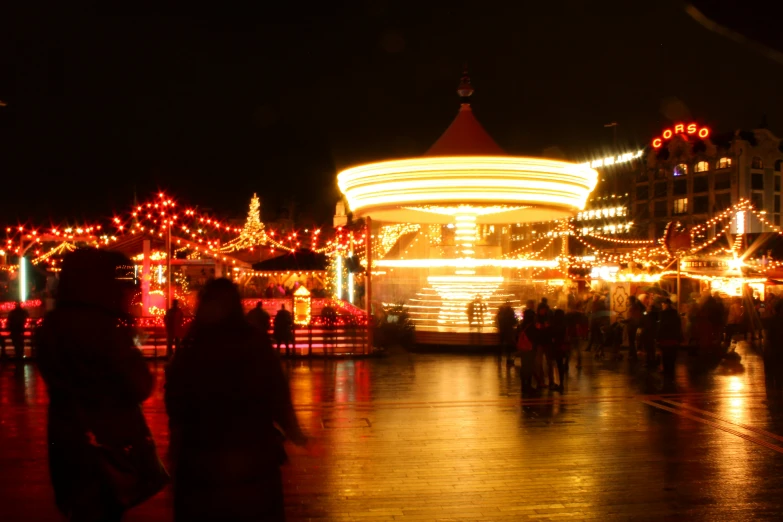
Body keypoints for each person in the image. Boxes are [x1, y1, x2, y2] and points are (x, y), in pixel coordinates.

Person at [166, 278, 308, 522]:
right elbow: (276, 390)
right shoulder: (254, 342)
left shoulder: (193, 345)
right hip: (251, 448)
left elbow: (176, 399)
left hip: (201, 453)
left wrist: (176, 446)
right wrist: (292, 428)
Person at [37, 249, 161, 522]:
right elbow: (139, 384)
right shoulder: (104, 328)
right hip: (107, 444)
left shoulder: (52, 325)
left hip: (66, 439)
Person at [657, 298, 683, 377]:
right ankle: (671, 370)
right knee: (672, 355)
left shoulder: (663, 314)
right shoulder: (676, 315)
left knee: (665, 355)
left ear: (665, 305)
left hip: (665, 338)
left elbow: (661, 326)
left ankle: (666, 370)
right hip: (674, 338)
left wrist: (658, 337)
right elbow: (678, 327)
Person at [516, 309, 537, 395]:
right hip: (530, 348)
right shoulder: (531, 327)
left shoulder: (522, 325)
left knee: (524, 366)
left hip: (523, 348)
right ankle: (528, 385)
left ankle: (524, 385)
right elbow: (535, 337)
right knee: (529, 366)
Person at [549, 309, 568, 391]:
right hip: (563, 346)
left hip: (556, 347)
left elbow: (551, 335)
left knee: (557, 363)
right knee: (561, 365)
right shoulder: (564, 324)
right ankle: (562, 383)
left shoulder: (554, 324)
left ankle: (559, 383)